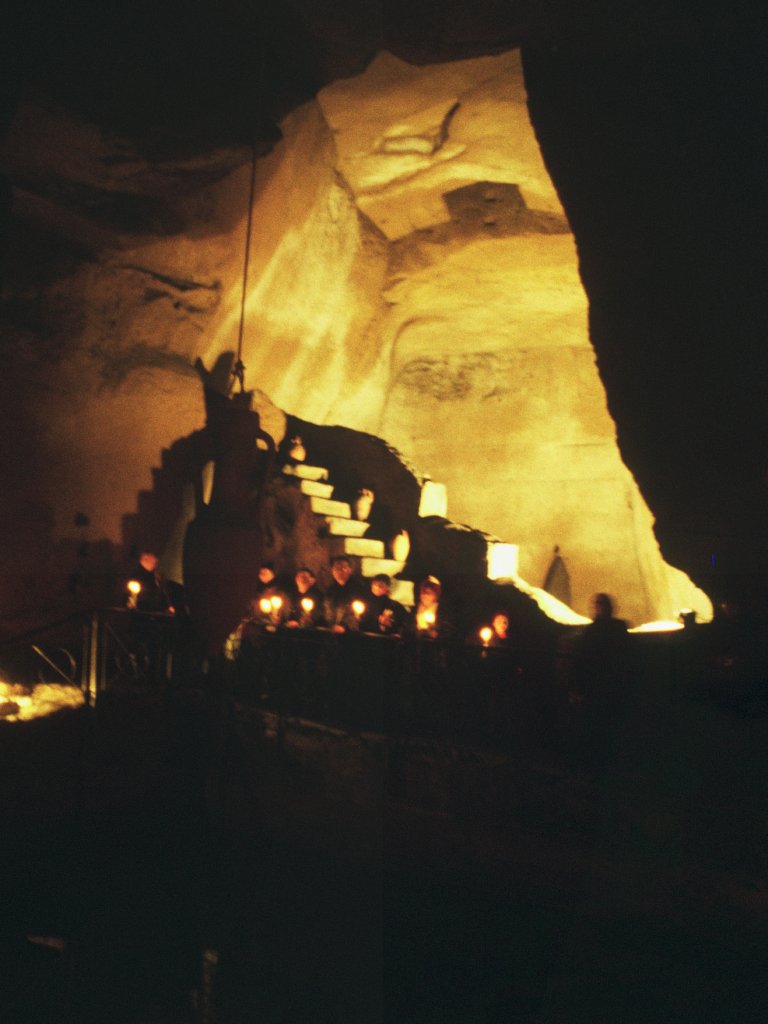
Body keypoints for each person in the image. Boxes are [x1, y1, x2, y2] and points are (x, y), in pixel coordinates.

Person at [323, 555, 367, 632]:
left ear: (350, 570)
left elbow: (358, 611)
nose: (340, 571)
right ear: (332, 571)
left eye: (343, 568)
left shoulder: (358, 588)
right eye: (337, 568)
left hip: (351, 631)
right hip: (332, 629)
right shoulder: (331, 590)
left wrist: (344, 625)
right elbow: (327, 609)